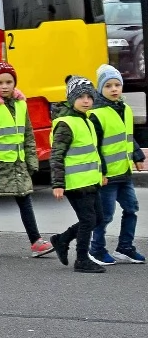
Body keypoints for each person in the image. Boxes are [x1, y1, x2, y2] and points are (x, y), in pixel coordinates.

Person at [0, 62, 54, 257]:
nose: (5, 86)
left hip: (18, 164)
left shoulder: (21, 104)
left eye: (9, 81)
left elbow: (28, 135)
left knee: (25, 199)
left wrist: (32, 160)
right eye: (0, 82)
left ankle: (35, 242)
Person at [48, 76, 108, 273]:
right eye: (80, 96)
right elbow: (57, 155)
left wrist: (102, 174)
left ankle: (62, 239)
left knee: (98, 218)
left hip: (91, 180)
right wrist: (58, 183)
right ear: (71, 99)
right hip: (75, 183)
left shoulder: (88, 121)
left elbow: (94, 152)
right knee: (88, 219)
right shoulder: (66, 123)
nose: (86, 101)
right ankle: (82, 259)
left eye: (89, 97)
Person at [88, 64, 145, 265]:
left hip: (124, 172)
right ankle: (96, 250)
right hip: (107, 177)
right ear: (100, 89)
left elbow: (127, 137)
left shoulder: (125, 109)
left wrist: (137, 155)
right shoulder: (96, 114)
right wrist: (101, 171)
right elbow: (94, 147)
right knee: (105, 215)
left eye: (117, 85)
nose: (114, 89)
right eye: (108, 85)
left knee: (131, 208)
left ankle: (125, 247)